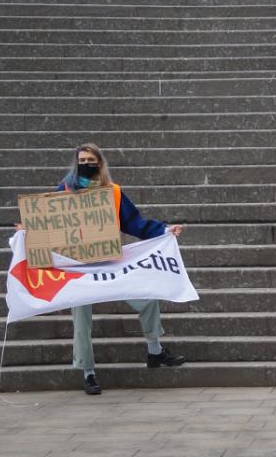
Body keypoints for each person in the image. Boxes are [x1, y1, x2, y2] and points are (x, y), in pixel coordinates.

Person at [59, 144, 185, 395]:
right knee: (81, 320)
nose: (85, 163)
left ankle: (155, 351)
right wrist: (26, 233)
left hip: (109, 262)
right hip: (79, 268)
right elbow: (47, 224)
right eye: (81, 159)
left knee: (147, 299)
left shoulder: (113, 193)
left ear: (99, 162)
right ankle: (88, 372)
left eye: (90, 159)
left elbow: (134, 223)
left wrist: (163, 230)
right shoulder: (63, 192)